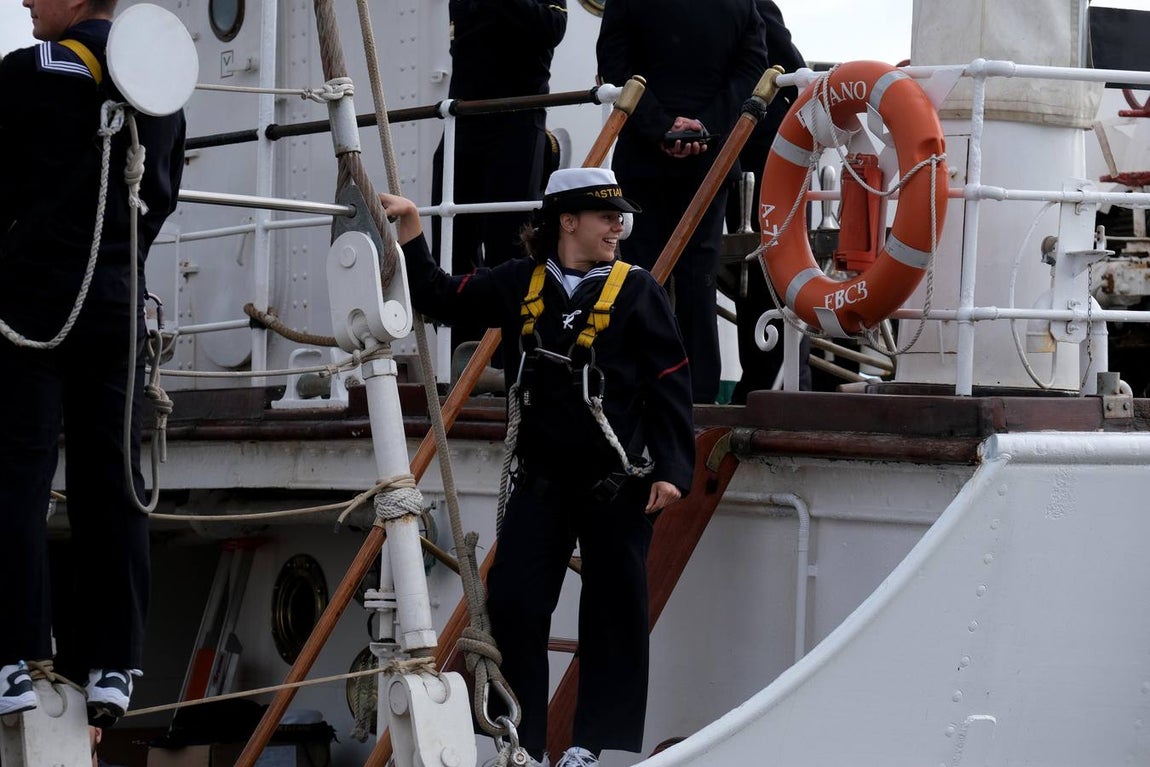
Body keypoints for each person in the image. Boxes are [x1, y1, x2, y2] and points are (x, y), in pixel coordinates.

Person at [381, 167, 696, 767]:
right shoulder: (519, 282)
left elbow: (670, 384)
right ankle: (523, 745)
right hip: (540, 485)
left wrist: (673, 469)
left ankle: (590, 747)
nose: (618, 227)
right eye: (606, 217)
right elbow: (441, 297)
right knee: (515, 607)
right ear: (567, 222)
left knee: (615, 615)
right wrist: (413, 231)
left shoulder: (638, 291)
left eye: (620, 218)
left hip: (616, 487)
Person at [0, 0, 185, 726]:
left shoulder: (26, 74)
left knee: (17, 472)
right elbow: (160, 196)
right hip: (115, 301)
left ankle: (11, 657)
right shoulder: (160, 87)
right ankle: (113, 663)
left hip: (32, 304)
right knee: (111, 475)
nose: (24, 0)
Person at [596, 0, 768, 404]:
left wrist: (662, 126)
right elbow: (752, 68)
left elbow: (614, 62)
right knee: (698, 281)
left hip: (644, 158)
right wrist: (705, 126)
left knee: (637, 276)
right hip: (710, 160)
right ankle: (699, 396)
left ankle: (635, 386)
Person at [431, 0, 568, 350]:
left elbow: (553, 28)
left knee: (508, 244)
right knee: (451, 244)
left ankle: (508, 356)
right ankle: (462, 353)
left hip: (516, 121)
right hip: (463, 121)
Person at [725, 0, 814, 400]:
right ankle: (758, 381)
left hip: (767, 154)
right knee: (748, 274)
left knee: (776, 270)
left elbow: (794, 70)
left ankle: (785, 383)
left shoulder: (753, 6)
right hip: (733, 152)